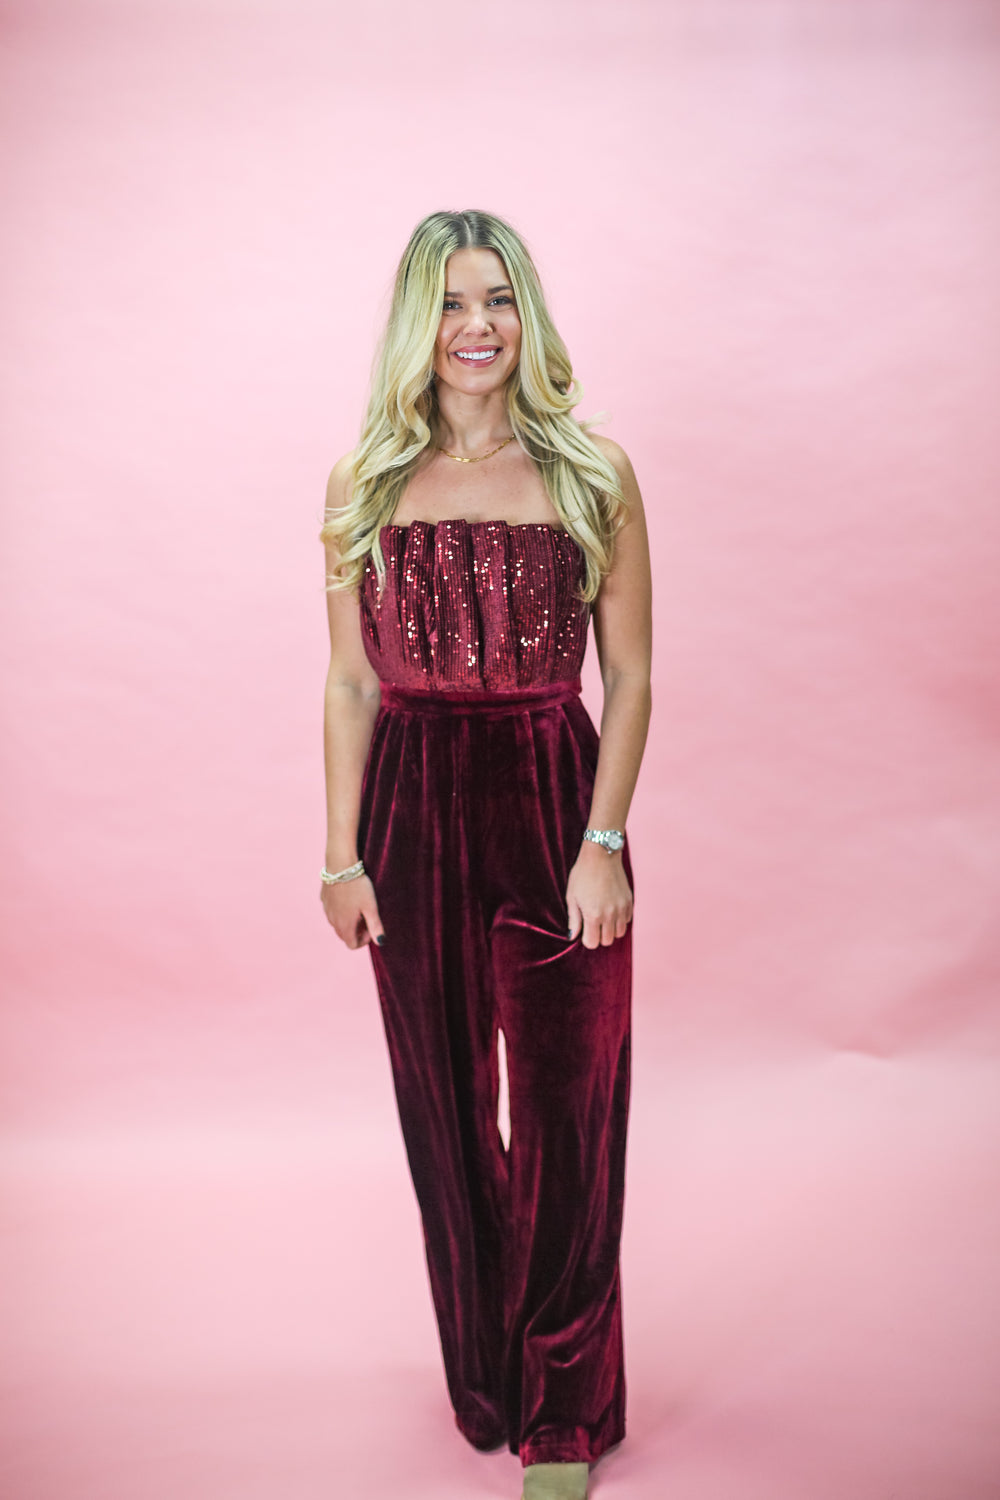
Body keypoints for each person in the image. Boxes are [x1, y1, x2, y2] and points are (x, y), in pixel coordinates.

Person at [319, 209, 652, 1500]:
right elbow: (350, 682)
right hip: (409, 810)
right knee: (446, 1116)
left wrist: (603, 841)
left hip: (552, 791)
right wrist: (340, 856)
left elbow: (630, 674)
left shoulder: (592, 474)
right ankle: (490, 1377)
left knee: (570, 1116)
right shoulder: (363, 484)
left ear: (529, 317)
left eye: (500, 300)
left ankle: (564, 1411)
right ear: (420, 323)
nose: (478, 327)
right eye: (454, 303)